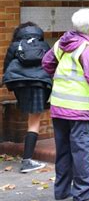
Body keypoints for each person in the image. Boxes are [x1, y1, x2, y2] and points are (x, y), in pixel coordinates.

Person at [42, 8, 89, 201]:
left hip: (58, 106)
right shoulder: (87, 49)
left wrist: (62, 80)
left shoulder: (62, 43)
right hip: (80, 110)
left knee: (63, 150)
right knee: (80, 152)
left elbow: (46, 63)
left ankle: (62, 190)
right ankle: (82, 192)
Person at [2, 22, 52, 173]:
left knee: (30, 118)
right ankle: (27, 161)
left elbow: (6, 67)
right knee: (34, 121)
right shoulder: (43, 45)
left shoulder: (15, 45)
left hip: (19, 85)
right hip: (39, 84)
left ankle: (27, 158)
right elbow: (51, 65)